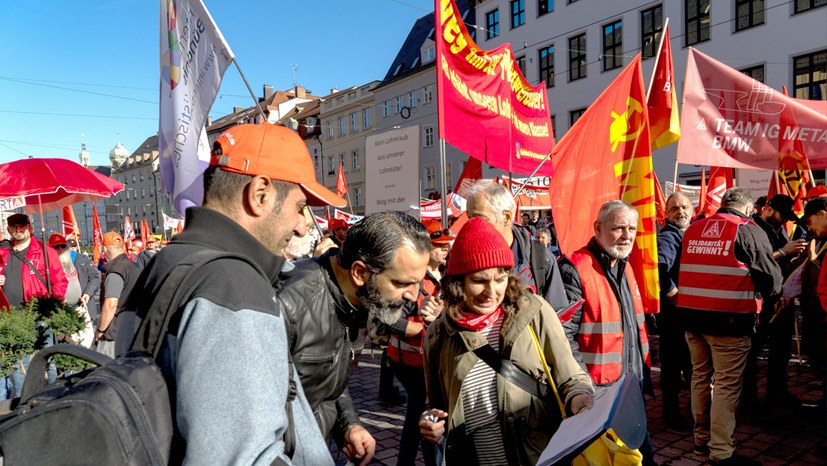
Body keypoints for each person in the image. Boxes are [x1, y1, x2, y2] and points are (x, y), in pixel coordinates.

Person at [127, 122, 338, 464]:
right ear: (260, 194)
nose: (302, 225)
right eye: (300, 207)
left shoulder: (165, 260)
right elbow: (241, 457)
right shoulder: (233, 284)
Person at [418, 217, 594, 466]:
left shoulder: (534, 311)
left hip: (536, 456)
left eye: (500, 279)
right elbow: (434, 404)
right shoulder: (439, 334)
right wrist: (430, 421)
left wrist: (579, 397)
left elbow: (571, 378)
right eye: (479, 280)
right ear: (458, 283)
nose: (492, 292)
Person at [277, 211, 431, 466]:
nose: (413, 296)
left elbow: (325, 379)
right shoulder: (288, 304)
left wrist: (348, 425)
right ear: (360, 272)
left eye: (418, 283)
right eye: (403, 283)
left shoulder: (360, 300)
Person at [678, 187, 782, 466]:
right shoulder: (747, 229)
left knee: (700, 378)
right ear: (748, 209)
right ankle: (721, 452)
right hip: (729, 321)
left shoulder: (693, 229)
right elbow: (772, 281)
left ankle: (701, 443)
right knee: (725, 385)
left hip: (691, 318)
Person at [557, 200, 656, 465]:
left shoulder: (623, 264)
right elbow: (561, 337)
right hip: (596, 391)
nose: (627, 235)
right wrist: (580, 387)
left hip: (627, 385)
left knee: (636, 456)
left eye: (632, 228)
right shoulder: (574, 268)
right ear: (598, 227)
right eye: (619, 228)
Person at [385, 218, 452, 466]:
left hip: (430, 359)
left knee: (416, 412)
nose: (445, 250)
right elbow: (385, 318)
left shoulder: (447, 274)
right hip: (408, 362)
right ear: (425, 247)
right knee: (428, 414)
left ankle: (405, 461)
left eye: (447, 245)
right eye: (440, 246)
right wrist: (412, 327)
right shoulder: (409, 275)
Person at [464, 180, 568, 311]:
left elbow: (558, 317)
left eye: (480, 218)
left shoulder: (540, 258)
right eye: (469, 218)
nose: (472, 225)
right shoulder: (461, 256)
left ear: (506, 217)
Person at [744, 194, 808, 407]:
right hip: (760, 299)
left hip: (781, 297)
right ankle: (749, 399)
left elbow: (782, 262)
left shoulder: (779, 228)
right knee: (754, 350)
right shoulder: (752, 228)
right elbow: (756, 263)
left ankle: (777, 391)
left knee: (781, 349)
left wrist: (798, 257)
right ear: (769, 209)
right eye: (782, 215)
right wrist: (783, 251)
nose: (784, 221)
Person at [656, 192, 694, 430]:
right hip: (674, 316)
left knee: (688, 364)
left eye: (684, 207)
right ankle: (672, 415)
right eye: (674, 208)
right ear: (666, 214)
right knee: (673, 366)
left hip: (688, 314)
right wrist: (673, 294)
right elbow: (661, 268)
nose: (680, 211)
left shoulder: (688, 233)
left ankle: (692, 410)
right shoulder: (669, 237)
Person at [0, 213, 67, 307]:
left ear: (30, 228)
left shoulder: (45, 251)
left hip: (36, 314)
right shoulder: (2, 253)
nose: (18, 229)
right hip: (8, 316)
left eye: (22, 226)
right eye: (14, 226)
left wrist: (53, 306)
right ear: (8, 230)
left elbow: (59, 281)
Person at [96, 231, 140, 358]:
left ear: (104, 249)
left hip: (114, 334)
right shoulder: (133, 267)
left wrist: (100, 330)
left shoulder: (116, 270)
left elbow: (110, 304)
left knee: (108, 371)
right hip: (132, 328)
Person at [68, 238, 101, 322]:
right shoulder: (61, 260)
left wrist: (88, 293)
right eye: (69, 247)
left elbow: (95, 278)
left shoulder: (83, 258)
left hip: (86, 305)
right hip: (69, 307)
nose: (72, 248)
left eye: (74, 246)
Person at [48, 233, 82, 307]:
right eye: (56, 247)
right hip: (62, 308)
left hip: (80, 305)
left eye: (63, 246)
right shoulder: (49, 266)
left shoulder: (71, 259)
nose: (60, 249)